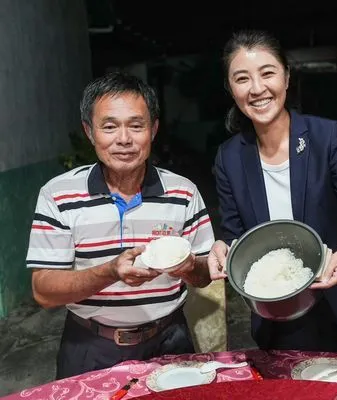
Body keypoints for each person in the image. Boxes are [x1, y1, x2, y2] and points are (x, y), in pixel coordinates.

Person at [206, 30, 337, 356]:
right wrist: (222, 247)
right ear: (231, 90)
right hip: (276, 319)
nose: (257, 88)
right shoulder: (229, 157)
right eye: (242, 78)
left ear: (287, 78)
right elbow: (235, 237)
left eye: (268, 73)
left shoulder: (327, 137)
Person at [26, 71, 216, 379]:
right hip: (89, 347)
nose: (124, 139)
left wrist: (189, 266)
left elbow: (205, 275)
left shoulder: (183, 193)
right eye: (110, 126)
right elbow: (43, 291)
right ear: (89, 132)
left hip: (170, 340)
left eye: (136, 125)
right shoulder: (58, 195)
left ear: (153, 129)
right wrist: (111, 271)